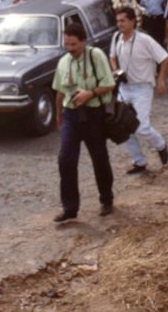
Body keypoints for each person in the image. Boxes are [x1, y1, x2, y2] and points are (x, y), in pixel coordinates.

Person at [51, 22, 116, 222]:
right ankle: (70, 208)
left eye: (74, 45)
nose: (70, 49)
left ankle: (106, 199)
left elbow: (109, 84)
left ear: (83, 42)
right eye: (67, 45)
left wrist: (90, 93)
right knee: (66, 160)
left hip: (93, 114)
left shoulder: (95, 56)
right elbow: (60, 90)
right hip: (71, 115)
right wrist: (59, 114)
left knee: (99, 158)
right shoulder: (64, 61)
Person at [110, 7, 168, 174]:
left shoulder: (145, 40)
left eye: (123, 20)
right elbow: (112, 57)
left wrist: (161, 80)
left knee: (141, 127)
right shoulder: (116, 38)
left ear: (132, 21)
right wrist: (116, 70)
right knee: (123, 126)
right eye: (118, 21)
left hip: (142, 88)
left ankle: (161, 145)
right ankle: (139, 161)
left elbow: (165, 58)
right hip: (124, 87)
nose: (119, 24)